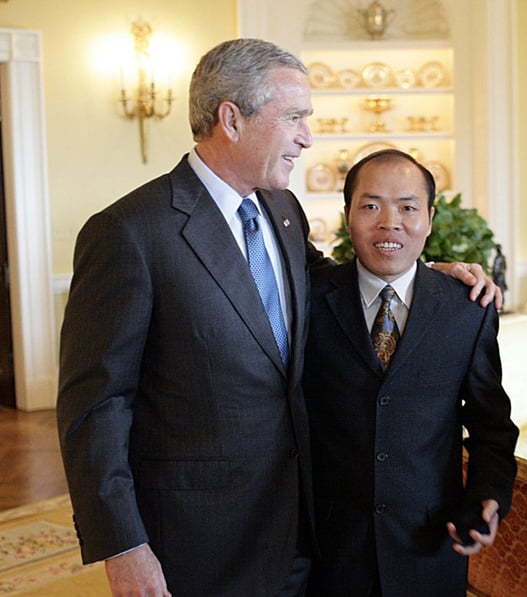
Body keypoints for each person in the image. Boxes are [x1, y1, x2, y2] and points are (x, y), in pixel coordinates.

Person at [56, 39, 497, 597]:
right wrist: (122, 546)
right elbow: (94, 406)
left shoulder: (282, 210)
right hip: (199, 540)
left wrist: (424, 273)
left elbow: (330, 282)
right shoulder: (130, 232)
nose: (306, 137)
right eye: (293, 117)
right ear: (231, 119)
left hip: (303, 528)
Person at [302, 149, 519, 596]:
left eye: (407, 207)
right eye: (370, 205)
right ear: (347, 215)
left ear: (430, 217)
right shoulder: (307, 302)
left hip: (429, 546)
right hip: (328, 551)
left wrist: (487, 497)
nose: (389, 222)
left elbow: (490, 424)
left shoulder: (467, 309)